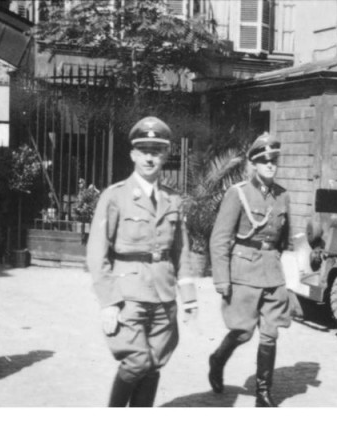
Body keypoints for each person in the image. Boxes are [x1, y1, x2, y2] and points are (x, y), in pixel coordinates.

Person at [86, 116, 198, 408]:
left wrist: (188, 297)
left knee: (155, 363)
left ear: (165, 155)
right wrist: (108, 302)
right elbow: (97, 254)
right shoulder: (115, 196)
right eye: (144, 150)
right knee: (137, 361)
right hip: (128, 295)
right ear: (133, 154)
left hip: (164, 294)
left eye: (156, 151)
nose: (150, 157)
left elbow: (181, 250)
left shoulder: (173, 200)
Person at [208, 132, 292, 407]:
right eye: (264, 161)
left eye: (274, 161)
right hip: (243, 271)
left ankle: (263, 394)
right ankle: (218, 359)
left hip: (272, 271)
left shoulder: (282, 196)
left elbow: (285, 238)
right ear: (254, 164)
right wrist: (222, 279)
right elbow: (220, 238)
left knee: (270, 332)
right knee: (243, 332)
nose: (271, 165)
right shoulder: (239, 193)